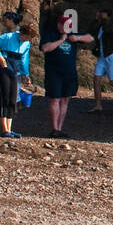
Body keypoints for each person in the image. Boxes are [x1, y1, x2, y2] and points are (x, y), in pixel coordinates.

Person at [40, 9, 94, 139]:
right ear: (59, 25)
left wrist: (78, 38)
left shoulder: (72, 34)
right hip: (54, 72)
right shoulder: (51, 34)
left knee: (65, 100)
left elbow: (90, 38)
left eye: (69, 26)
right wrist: (60, 40)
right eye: (65, 26)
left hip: (69, 73)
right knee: (55, 99)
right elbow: (45, 48)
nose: (67, 29)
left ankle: (59, 128)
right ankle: (54, 128)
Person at [0, 19, 37, 138]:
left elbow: (24, 60)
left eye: (29, 39)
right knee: (4, 99)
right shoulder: (8, 37)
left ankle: (9, 129)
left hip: (15, 72)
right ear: (22, 33)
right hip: (3, 70)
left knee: (12, 100)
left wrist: (25, 75)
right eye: (26, 37)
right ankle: (4, 130)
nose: (26, 40)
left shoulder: (26, 44)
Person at [89, 9, 113, 112]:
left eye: (103, 13)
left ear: (108, 16)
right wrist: (96, 20)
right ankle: (98, 105)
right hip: (102, 57)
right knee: (96, 79)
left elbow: (112, 33)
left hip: (111, 56)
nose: (101, 14)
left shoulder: (112, 26)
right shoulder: (100, 26)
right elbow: (91, 31)